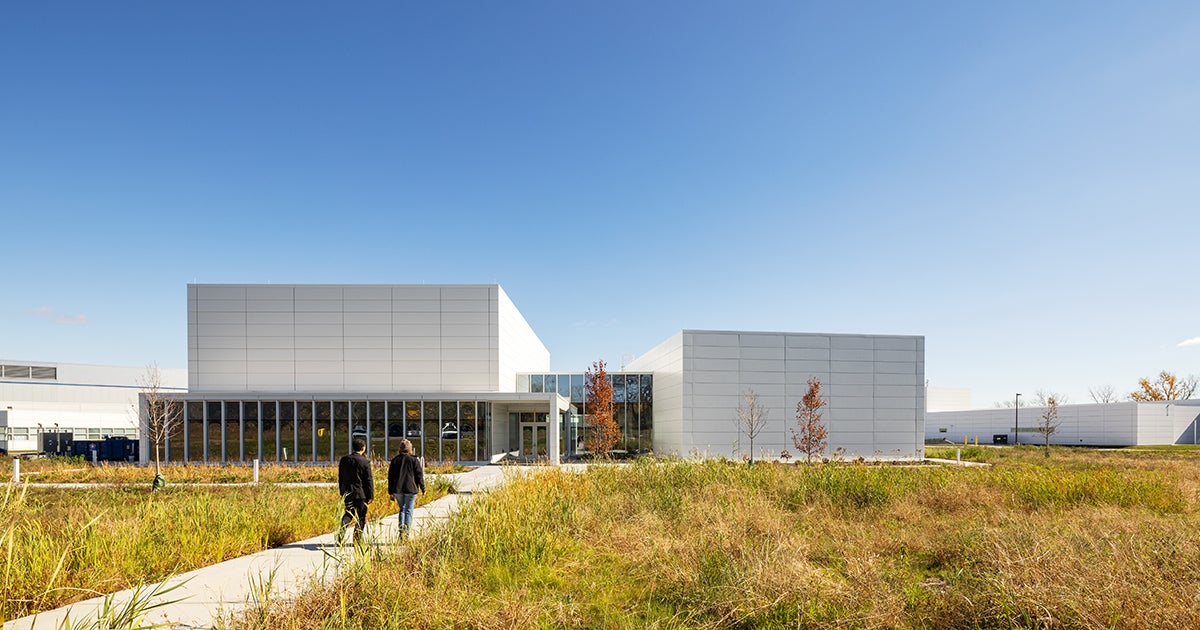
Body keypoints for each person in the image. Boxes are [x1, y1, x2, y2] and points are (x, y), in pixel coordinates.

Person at [337, 437, 374, 546]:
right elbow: (368, 480)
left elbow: (341, 477)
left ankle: (340, 535)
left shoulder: (344, 460)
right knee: (361, 517)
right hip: (361, 493)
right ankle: (357, 540)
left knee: (348, 513)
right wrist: (371, 495)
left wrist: (342, 491)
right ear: (363, 448)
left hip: (348, 492)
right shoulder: (365, 462)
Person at [387, 439, 425, 537]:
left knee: (402, 509)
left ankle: (401, 530)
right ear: (410, 449)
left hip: (397, 489)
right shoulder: (414, 460)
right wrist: (422, 488)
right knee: (409, 510)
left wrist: (390, 491)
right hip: (411, 488)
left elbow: (390, 477)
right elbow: (419, 475)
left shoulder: (395, 460)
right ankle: (406, 532)